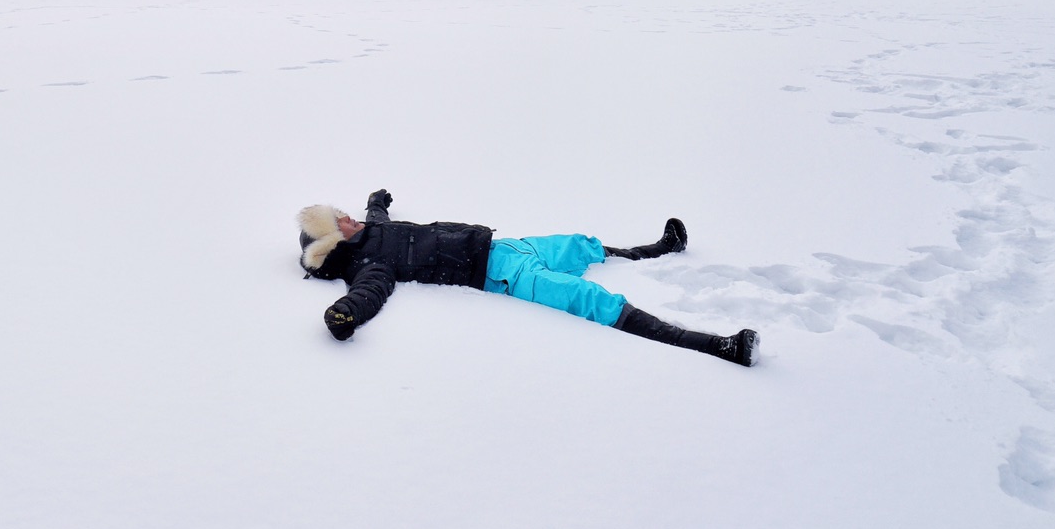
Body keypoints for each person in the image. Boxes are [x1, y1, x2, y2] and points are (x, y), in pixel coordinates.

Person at [298, 189, 758, 366]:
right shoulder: (366, 264)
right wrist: (345, 315)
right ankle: (715, 346)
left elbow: (375, 213)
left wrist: (378, 199)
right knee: (590, 298)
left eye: (344, 213)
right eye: (340, 221)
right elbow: (370, 293)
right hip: (503, 276)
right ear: (334, 242)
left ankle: (658, 251)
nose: (350, 218)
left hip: (506, 247)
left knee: (580, 244)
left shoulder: (371, 227)